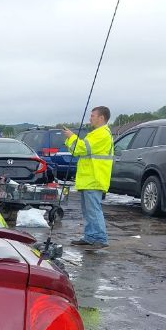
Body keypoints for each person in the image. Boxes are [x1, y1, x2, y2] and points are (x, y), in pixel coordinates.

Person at [62, 106, 114, 248]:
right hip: (89, 179)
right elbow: (78, 150)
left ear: (101, 118)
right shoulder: (96, 133)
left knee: (93, 210)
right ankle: (90, 236)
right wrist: (70, 139)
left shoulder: (101, 134)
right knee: (88, 210)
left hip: (94, 178)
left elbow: (83, 148)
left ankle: (100, 238)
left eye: (92, 116)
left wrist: (71, 137)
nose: (90, 118)